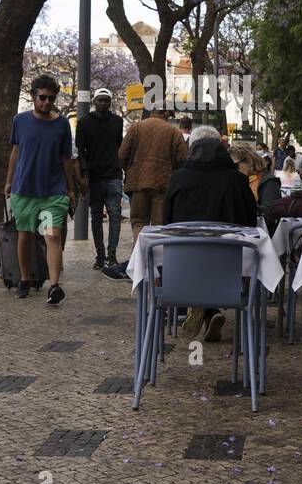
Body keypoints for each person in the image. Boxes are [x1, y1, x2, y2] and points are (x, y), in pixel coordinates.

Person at [164, 126, 258, 341]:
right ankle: (210, 309)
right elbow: (251, 225)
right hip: (229, 272)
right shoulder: (238, 181)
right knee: (215, 251)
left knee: (198, 254)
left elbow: (166, 223)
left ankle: (201, 306)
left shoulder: (178, 179)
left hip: (182, 270)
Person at [5, 74, 77, 304]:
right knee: (25, 235)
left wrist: (70, 187)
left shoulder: (62, 124)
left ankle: (54, 285)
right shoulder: (21, 121)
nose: (47, 102)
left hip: (51, 193)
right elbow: (15, 152)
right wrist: (9, 181)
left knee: (51, 235)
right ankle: (25, 279)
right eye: (43, 97)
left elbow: (66, 159)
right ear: (34, 96)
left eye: (51, 98)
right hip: (25, 190)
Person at [117, 107, 187, 245]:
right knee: (159, 225)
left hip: (138, 183)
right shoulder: (174, 132)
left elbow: (122, 155)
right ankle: (157, 262)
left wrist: (131, 170)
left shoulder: (136, 127)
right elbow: (182, 159)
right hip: (163, 185)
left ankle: (138, 261)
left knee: (138, 223)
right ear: (165, 113)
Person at [77, 88, 125, 272]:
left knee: (114, 215)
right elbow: (81, 150)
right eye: (100, 100)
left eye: (106, 100)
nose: (104, 103)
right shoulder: (84, 123)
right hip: (94, 177)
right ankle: (100, 255)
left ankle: (111, 256)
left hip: (113, 175)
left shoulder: (118, 121)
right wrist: (84, 173)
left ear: (110, 102)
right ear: (94, 102)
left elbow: (119, 146)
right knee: (96, 217)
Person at [231, 141, 281, 215]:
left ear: (249, 161)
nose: (232, 169)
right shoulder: (234, 179)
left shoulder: (268, 181)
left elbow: (270, 211)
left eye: (234, 166)